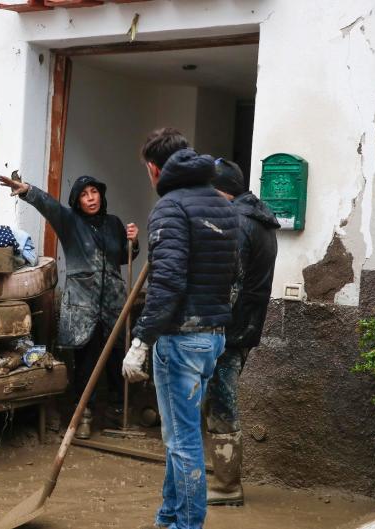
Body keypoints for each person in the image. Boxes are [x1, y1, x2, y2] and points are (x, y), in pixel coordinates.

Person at [123, 128, 239, 529]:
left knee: (182, 442)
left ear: (155, 168)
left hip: (181, 339)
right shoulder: (224, 204)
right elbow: (230, 271)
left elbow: (168, 282)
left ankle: (187, 524)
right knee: (180, 438)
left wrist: (141, 339)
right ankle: (168, 517)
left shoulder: (171, 207)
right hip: (212, 338)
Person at [0, 173, 139, 439]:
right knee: (86, 360)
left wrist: (134, 241)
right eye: (84, 194)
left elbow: (123, 256)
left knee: (116, 358)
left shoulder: (114, 223)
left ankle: (117, 413)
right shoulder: (70, 222)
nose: (91, 198)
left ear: (101, 195)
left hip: (113, 302)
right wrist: (27, 190)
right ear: (77, 200)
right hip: (82, 305)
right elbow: (49, 205)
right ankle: (82, 415)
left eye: (94, 192)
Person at [204, 158, 279, 506]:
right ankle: (219, 470)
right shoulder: (261, 221)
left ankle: (226, 485)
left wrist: (210, 325)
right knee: (220, 398)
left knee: (222, 402)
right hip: (247, 326)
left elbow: (229, 284)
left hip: (228, 330)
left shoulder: (236, 223)